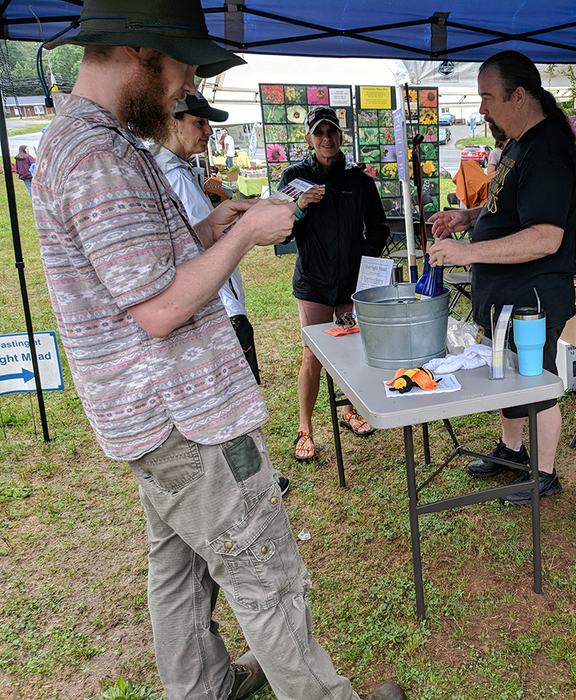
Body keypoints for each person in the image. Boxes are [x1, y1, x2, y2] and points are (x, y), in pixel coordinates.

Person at [32, 2, 404, 699]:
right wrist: (246, 235)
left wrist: (209, 230)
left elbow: (143, 273)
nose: (190, 85)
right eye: (188, 65)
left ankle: (204, 686)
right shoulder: (98, 154)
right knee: (265, 573)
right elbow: (159, 309)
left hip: (152, 419)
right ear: (143, 51)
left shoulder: (91, 140)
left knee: (178, 567)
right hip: (188, 421)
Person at [428, 50, 576, 506]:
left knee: (537, 381)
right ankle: (513, 451)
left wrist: (468, 251)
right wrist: (468, 216)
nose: (481, 108)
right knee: (508, 372)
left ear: (518, 95)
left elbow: (546, 238)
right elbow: (508, 206)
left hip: (534, 295)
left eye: (487, 97)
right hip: (505, 292)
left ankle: (544, 475)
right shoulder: (518, 141)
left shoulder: (548, 150)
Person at [280, 105, 389, 462]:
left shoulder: (359, 180)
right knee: (312, 354)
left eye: (332, 132)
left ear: (341, 136)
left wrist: (364, 261)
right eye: (319, 133)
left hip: (349, 286)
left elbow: (379, 227)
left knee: (352, 349)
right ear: (309, 138)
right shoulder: (294, 177)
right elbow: (281, 231)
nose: (326, 139)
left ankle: (350, 410)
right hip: (313, 283)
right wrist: (300, 206)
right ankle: (305, 428)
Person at [150, 93, 262, 386]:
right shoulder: (175, 178)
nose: (209, 131)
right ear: (172, 124)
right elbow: (201, 246)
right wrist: (252, 226)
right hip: (219, 308)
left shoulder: (169, 170)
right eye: (199, 122)